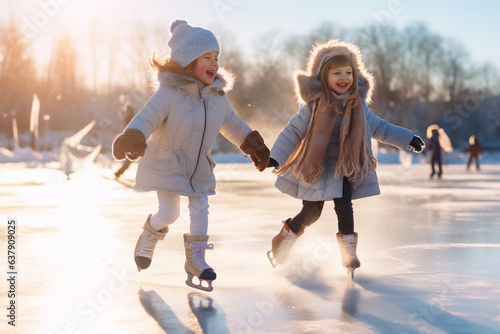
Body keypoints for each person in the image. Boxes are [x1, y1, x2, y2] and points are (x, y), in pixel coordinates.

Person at [112, 20, 270, 291]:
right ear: (187, 62)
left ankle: (196, 259)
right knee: (169, 213)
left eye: (216, 57)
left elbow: (232, 124)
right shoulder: (169, 94)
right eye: (206, 57)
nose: (214, 63)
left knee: (200, 208)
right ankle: (150, 234)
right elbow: (147, 117)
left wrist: (252, 144)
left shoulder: (218, 97)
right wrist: (134, 135)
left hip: (198, 165)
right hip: (167, 162)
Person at [266, 40, 424, 278]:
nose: (344, 77)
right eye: (337, 72)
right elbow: (293, 131)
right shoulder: (313, 107)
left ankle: (349, 253)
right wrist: (275, 157)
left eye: (349, 72)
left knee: (345, 208)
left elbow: (380, 127)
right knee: (311, 213)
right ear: (323, 77)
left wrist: (407, 138)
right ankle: (284, 237)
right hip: (316, 167)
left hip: (345, 166)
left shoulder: (358, 106)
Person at [114, 104, 136, 179]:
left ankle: (119, 172)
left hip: (131, 140)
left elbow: (128, 129)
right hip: (132, 139)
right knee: (130, 157)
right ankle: (119, 172)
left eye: (126, 110)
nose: (125, 112)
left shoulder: (130, 117)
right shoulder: (133, 117)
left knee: (130, 157)